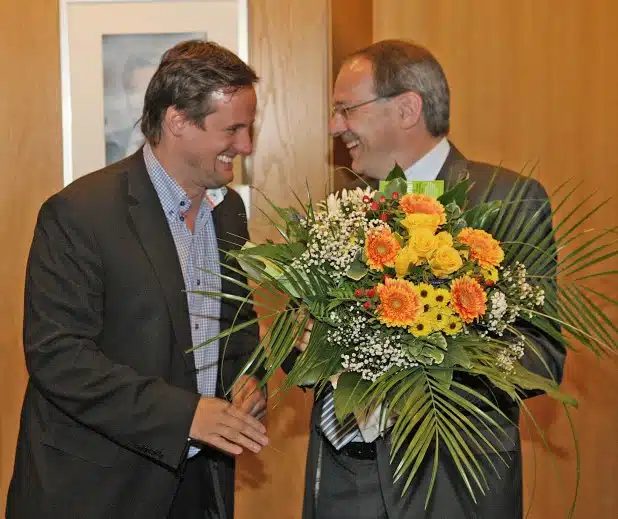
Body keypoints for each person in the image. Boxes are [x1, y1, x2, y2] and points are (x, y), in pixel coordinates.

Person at [297, 39, 566, 519]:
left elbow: (542, 357)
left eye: (345, 109)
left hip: (451, 484)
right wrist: (305, 346)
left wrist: (424, 363)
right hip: (343, 483)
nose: (335, 126)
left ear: (406, 109)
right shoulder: (342, 209)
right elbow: (309, 362)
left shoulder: (508, 199)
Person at [7, 40, 268, 519]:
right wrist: (186, 416)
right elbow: (59, 356)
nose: (247, 145)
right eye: (232, 128)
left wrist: (249, 380)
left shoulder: (228, 211)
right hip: (97, 490)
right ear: (177, 122)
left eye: (249, 128)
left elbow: (238, 323)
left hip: (200, 485)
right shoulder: (79, 213)